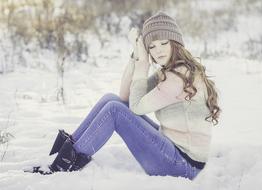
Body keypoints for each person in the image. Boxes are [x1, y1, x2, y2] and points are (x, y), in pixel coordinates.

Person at [24, 11, 221, 181]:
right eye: (151, 46)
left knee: (115, 111)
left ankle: (64, 164)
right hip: (175, 152)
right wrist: (136, 56)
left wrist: (143, 63)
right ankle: (65, 154)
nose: (158, 50)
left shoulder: (179, 77)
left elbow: (135, 107)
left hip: (184, 166)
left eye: (163, 43)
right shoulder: (171, 71)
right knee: (112, 100)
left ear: (175, 43)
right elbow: (125, 96)